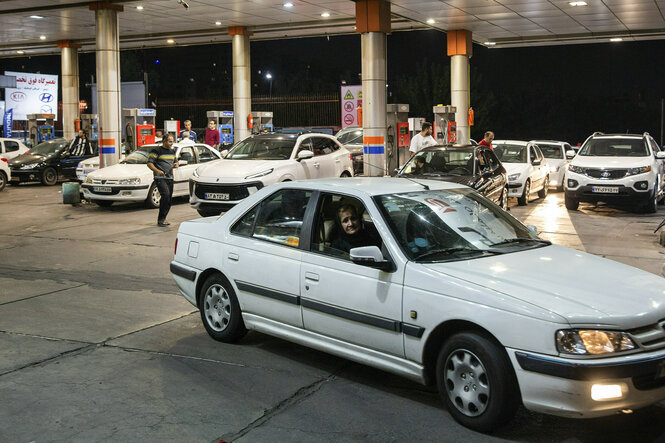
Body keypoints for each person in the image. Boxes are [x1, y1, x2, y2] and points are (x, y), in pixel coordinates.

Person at [147, 134, 179, 227]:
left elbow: (175, 161)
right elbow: (149, 163)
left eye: (172, 141)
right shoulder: (157, 151)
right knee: (165, 195)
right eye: (169, 141)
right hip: (160, 178)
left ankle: (164, 217)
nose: (171, 143)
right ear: (164, 141)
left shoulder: (172, 151)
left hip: (170, 177)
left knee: (168, 199)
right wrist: (157, 171)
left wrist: (176, 164)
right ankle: (161, 219)